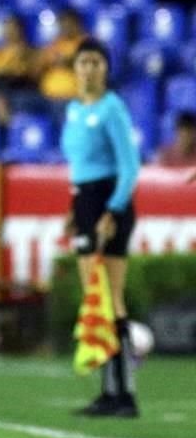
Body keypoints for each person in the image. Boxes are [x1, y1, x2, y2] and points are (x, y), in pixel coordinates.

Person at [61, 38, 142, 418]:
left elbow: (129, 167)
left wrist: (113, 210)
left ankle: (124, 392)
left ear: (105, 68)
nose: (89, 68)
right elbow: (80, 167)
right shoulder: (75, 110)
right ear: (75, 68)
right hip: (85, 203)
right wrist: (75, 208)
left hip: (109, 204)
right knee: (95, 299)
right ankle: (109, 392)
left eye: (96, 61)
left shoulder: (113, 109)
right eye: (83, 62)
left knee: (112, 297)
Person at [36, 8, 85, 105]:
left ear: (77, 24)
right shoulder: (54, 44)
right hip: (46, 95)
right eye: (63, 23)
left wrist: (68, 60)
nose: (66, 26)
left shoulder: (86, 43)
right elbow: (39, 67)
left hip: (72, 96)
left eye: (69, 23)